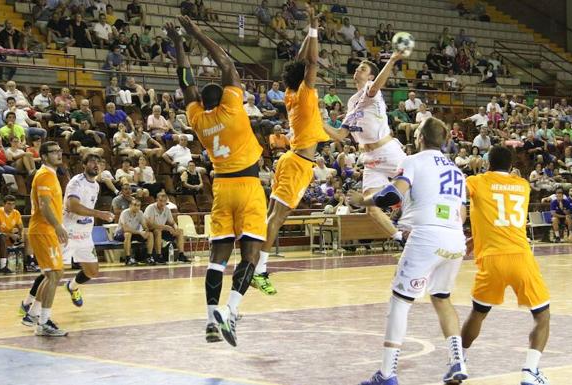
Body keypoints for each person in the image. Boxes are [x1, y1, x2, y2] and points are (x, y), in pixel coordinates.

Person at [349, 118, 468, 385]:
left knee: (400, 302)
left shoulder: (414, 161)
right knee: (442, 297)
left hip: (427, 236)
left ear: (420, 139)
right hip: (455, 239)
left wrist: (363, 200)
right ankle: (457, 360)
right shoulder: (457, 171)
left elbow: (392, 195)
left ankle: (387, 374)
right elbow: (462, 213)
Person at [172, 16, 267, 346]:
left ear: (202, 102)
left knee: (217, 259)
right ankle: (231, 311)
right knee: (251, 256)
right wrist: (197, 32)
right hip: (248, 186)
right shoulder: (232, 107)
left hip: (222, 188)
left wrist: (179, 44)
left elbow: (186, 82)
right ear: (226, 96)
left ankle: (211, 320)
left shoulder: (196, 119)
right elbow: (225, 62)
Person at [251, 7, 329, 296]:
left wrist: (310, 28)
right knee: (277, 218)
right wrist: (314, 27)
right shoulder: (305, 94)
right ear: (306, 78)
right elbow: (309, 60)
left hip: (290, 160)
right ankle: (259, 271)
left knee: (272, 215)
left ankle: (252, 263)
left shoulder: (291, 93)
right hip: (298, 163)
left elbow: (300, 61)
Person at [461, 145, 551, 385]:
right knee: (542, 316)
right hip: (520, 256)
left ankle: (458, 359)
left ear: (488, 163)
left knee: (478, 313)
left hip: (491, 259)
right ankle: (530, 372)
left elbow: (461, 197)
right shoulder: (523, 186)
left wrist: (472, 237)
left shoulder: (475, 181)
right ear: (511, 166)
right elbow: (505, 210)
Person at [322, 51, 409, 248]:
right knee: (370, 206)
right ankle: (399, 238)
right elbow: (340, 135)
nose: (357, 69)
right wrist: (318, 121)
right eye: (357, 67)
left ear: (370, 76)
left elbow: (378, 84)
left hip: (388, 152)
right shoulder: (352, 102)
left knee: (416, 187)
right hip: (370, 158)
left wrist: (392, 60)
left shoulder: (372, 89)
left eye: (363, 68)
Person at [20, 141, 69, 336]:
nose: (59, 154)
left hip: (45, 230)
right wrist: (58, 226)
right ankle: (44, 322)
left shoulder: (50, 174)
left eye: (60, 151)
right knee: (54, 274)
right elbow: (44, 205)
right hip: (43, 230)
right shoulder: (45, 175)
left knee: (52, 274)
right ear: (44, 156)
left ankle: (33, 315)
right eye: (54, 152)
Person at [59, 154, 115, 307]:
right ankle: (31, 305)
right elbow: (73, 206)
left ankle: (72, 287)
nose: (96, 165)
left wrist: (94, 215)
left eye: (98, 162)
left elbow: (86, 208)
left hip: (84, 234)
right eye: (92, 162)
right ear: (84, 165)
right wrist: (99, 213)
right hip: (68, 233)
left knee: (92, 272)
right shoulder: (76, 182)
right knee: (53, 273)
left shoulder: (96, 185)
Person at [0, 194, 38, 272]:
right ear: (4, 204)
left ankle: (30, 262)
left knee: (28, 235)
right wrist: (11, 235)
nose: (11, 206)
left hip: (10, 237)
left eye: (13, 204)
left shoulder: (16, 213)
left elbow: (21, 227)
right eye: (9, 204)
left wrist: (20, 235)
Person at [114, 198, 154, 265]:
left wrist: (146, 231)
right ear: (130, 205)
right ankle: (128, 258)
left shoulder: (140, 213)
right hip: (120, 233)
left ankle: (149, 257)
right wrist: (140, 232)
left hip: (134, 233)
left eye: (138, 205)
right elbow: (125, 229)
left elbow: (144, 226)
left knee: (150, 234)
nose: (137, 207)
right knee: (128, 234)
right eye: (135, 205)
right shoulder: (124, 213)